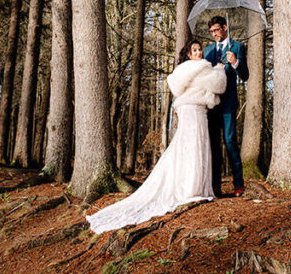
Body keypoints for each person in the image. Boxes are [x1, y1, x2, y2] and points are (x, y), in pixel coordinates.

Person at [86, 40, 226, 233]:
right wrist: (219, 69)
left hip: (196, 110)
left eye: (200, 49)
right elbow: (218, 85)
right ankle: (192, 188)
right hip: (191, 109)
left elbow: (211, 90)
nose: (199, 52)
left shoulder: (194, 70)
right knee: (192, 144)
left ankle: (196, 185)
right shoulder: (195, 68)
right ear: (188, 54)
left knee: (194, 144)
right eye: (194, 50)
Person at [204, 15, 249, 197]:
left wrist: (235, 62)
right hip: (212, 104)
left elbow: (245, 75)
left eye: (216, 30)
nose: (214, 34)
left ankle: (238, 184)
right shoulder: (207, 51)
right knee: (214, 145)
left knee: (230, 142)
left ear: (224, 27)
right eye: (211, 32)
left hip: (229, 103)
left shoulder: (237, 47)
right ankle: (215, 186)